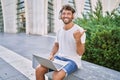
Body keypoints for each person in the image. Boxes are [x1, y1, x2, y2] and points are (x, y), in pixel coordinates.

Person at [35, 4, 86, 80]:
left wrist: (77, 39)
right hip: (59, 58)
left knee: (56, 76)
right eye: (64, 13)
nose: (66, 16)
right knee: (39, 69)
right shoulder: (59, 30)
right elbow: (56, 45)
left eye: (68, 14)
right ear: (61, 15)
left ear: (72, 16)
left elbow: (80, 53)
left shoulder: (79, 31)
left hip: (73, 61)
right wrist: (52, 54)